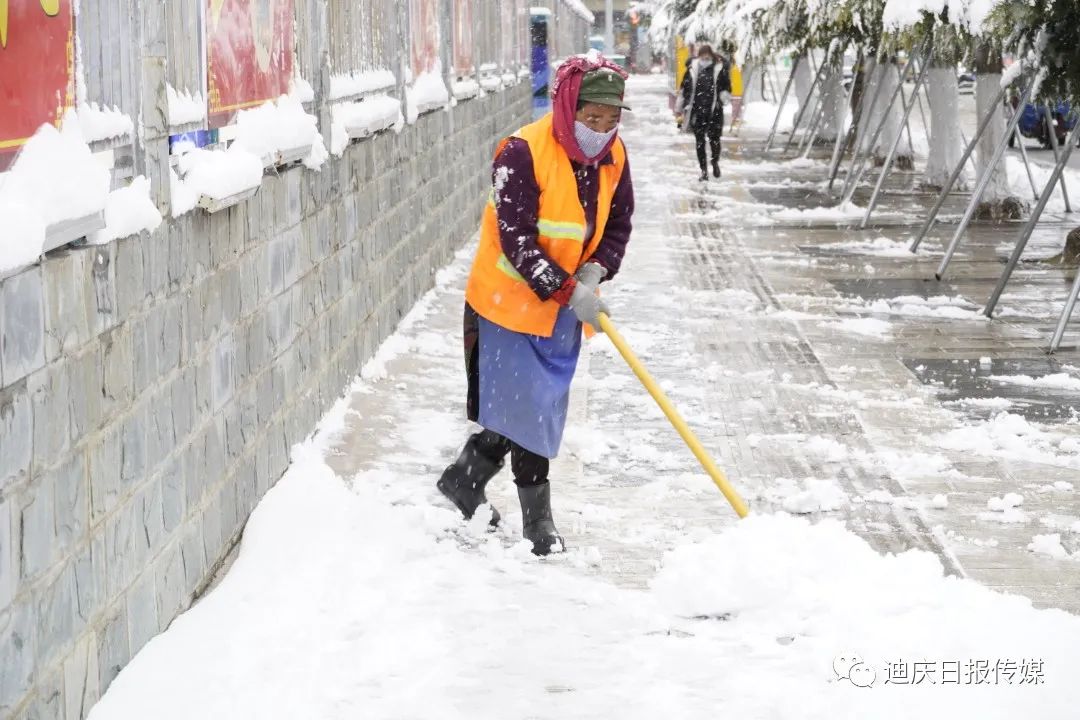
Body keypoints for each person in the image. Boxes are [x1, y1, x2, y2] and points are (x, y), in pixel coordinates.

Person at [437, 54, 635, 556]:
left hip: (560, 311)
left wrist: (596, 271)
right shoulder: (522, 152)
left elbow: (618, 226)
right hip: (506, 304)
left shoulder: (613, 158)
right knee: (527, 410)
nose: (602, 130)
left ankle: (464, 478)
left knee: (533, 409)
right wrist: (571, 290)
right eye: (593, 118)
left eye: (612, 120)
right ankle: (538, 522)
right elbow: (517, 240)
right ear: (569, 107)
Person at [677, 44, 732, 181]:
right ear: (699, 56)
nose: (705, 58)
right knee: (699, 142)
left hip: (715, 111)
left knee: (715, 140)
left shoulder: (719, 69)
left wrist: (723, 98)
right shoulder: (692, 69)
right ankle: (704, 171)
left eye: (708, 55)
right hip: (697, 112)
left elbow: (727, 87)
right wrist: (681, 107)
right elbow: (684, 88)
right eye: (703, 55)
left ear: (712, 56)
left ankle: (714, 161)